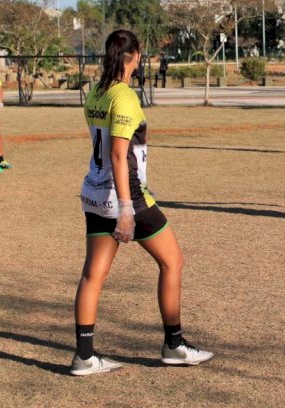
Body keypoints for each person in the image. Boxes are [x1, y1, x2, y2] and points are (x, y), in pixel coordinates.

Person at [71, 30, 213, 376]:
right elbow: (119, 154)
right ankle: (174, 345)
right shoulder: (124, 97)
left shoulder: (95, 93)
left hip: (93, 192)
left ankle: (85, 357)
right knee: (173, 261)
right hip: (127, 197)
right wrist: (125, 209)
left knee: (93, 275)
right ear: (132, 56)